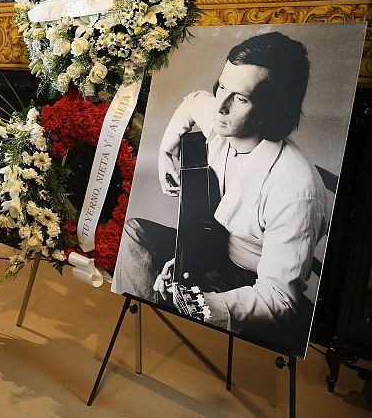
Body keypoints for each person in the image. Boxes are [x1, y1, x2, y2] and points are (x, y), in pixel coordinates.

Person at [112, 32, 327, 351]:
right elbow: (193, 102)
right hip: (214, 244)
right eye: (222, 86)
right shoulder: (221, 118)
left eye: (241, 98)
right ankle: (145, 334)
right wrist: (165, 152)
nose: (221, 107)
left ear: (272, 109)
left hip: (251, 279)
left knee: (180, 296)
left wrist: (200, 304)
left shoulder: (295, 190)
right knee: (135, 233)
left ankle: (168, 325)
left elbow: (278, 298)